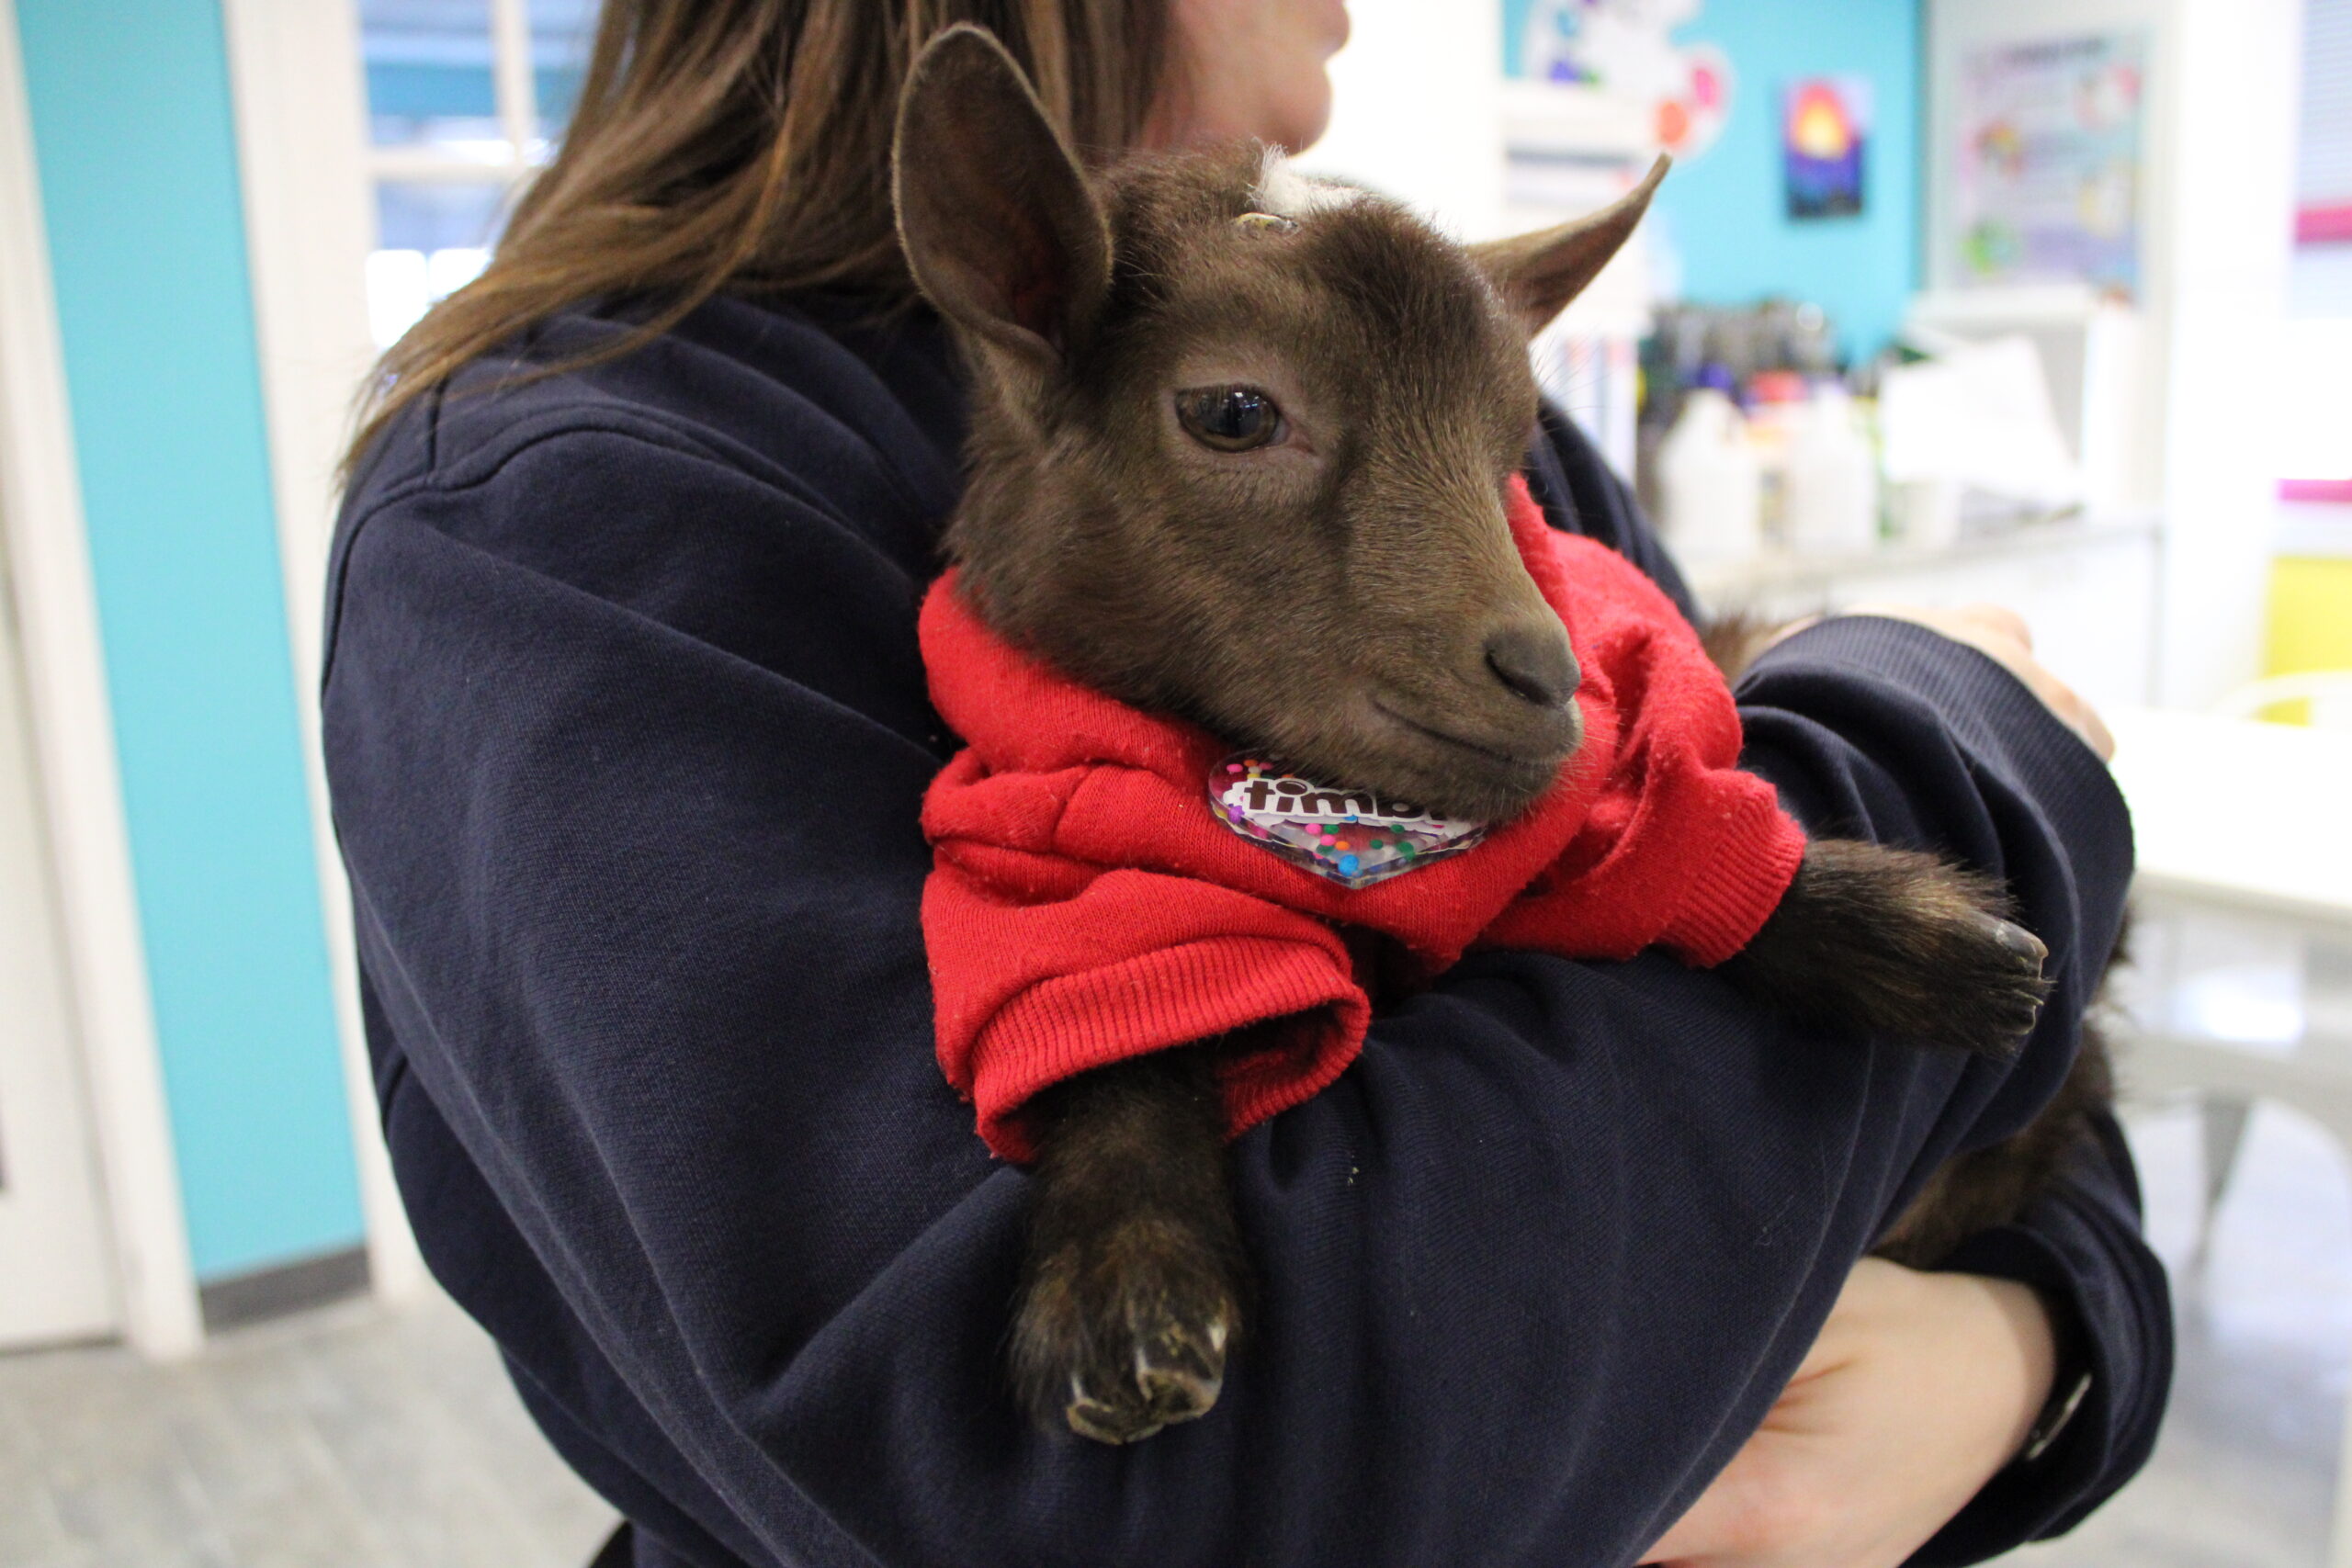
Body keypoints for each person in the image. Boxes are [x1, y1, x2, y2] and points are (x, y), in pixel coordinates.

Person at [322, 3, 2169, 1565]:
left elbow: (1925, 1042)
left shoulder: (1426, 384)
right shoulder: (568, 520)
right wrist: (1951, 741)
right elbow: (1116, 1484)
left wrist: (2025, 1343)